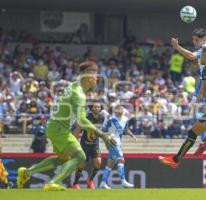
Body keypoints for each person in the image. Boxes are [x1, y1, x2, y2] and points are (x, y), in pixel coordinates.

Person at [17, 61, 117, 191]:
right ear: (87, 76)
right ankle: (52, 183)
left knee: (63, 159)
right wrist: (103, 134)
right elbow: (81, 120)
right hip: (59, 128)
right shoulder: (79, 94)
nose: (97, 77)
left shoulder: (74, 86)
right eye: (95, 74)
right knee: (80, 157)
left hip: (54, 126)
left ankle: (27, 172)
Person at [100, 105, 137, 189]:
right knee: (121, 159)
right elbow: (102, 131)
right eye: (118, 109)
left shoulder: (125, 119)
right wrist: (108, 136)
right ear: (115, 111)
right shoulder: (111, 119)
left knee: (110, 163)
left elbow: (126, 130)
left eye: (121, 109)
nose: (120, 111)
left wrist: (133, 136)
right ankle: (123, 181)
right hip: (112, 142)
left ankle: (103, 182)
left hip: (118, 142)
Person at [72, 102, 106, 189]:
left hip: (95, 144)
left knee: (98, 163)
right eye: (95, 107)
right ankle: (75, 183)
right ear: (91, 108)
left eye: (99, 107)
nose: (97, 108)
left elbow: (99, 130)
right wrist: (76, 143)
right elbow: (78, 128)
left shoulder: (102, 117)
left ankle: (90, 180)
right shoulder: (87, 117)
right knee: (82, 164)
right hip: (84, 144)